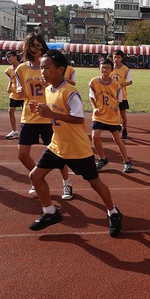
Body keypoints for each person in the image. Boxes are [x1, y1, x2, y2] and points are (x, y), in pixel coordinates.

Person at [27, 50, 122, 235]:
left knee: (95, 183)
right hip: (57, 145)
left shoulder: (69, 92)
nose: (43, 72)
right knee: (35, 176)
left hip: (78, 149)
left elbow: (78, 119)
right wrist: (40, 110)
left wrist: (50, 114)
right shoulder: (48, 90)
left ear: (60, 69)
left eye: (47, 68)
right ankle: (50, 211)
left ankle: (113, 211)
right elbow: (53, 113)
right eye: (42, 68)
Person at [15, 33, 71, 199]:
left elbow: (61, 87)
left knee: (59, 154)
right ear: (27, 47)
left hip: (48, 115)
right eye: (32, 45)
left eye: (38, 45)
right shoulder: (21, 69)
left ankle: (66, 183)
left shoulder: (49, 65)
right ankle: (36, 179)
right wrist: (19, 92)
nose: (35, 48)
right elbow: (19, 91)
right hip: (29, 116)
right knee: (22, 154)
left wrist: (48, 83)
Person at [89, 58, 132, 173]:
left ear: (112, 70)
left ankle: (127, 161)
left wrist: (116, 105)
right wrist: (94, 108)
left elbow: (119, 98)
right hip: (99, 115)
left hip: (112, 116)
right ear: (99, 68)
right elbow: (91, 96)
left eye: (108, 67)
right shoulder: (93, 82)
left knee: (117, 139)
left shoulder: (116, 84)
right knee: (95, 137)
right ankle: (103, 159)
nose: (105, 69)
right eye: (103, 67)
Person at [111, 50, 132, 139]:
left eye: (118, 57)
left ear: (122, 58)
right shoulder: (110, 68)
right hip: (112, 95)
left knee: (123, 113)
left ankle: (125, 130)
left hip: (121, 95)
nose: (116, 59)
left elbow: (130, 81)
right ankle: (117, 127)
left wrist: (122, 84)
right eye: (115, 57)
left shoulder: (125, 69)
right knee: (115, 112)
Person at [4, 50, 24, 140]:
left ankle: (29, 131)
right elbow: (11, 80)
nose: (8, 59)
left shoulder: (23, 68)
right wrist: (9, 86)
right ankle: (14, 131)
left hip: (24, 94)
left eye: (9, 56)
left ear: (15, 56)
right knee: (11, 111)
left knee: (27, 113)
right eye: (7, 57)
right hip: (14, 93)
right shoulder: (8, 70)